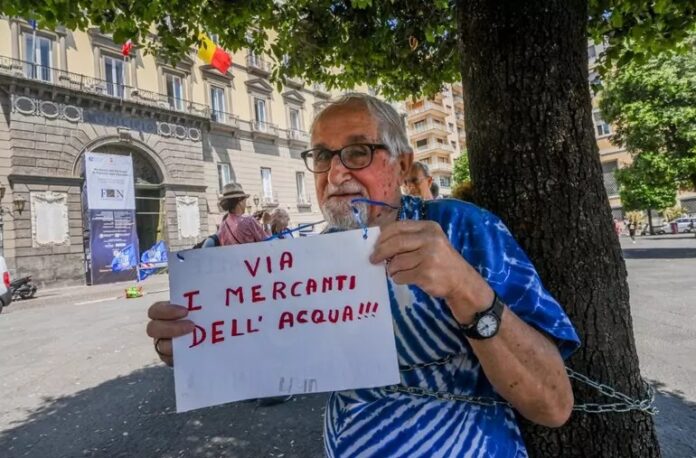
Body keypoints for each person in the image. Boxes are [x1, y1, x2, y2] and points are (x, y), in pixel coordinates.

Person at [147, 93, 579, 457]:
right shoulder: (306, 258)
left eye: (358, 151)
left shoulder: (464, 229)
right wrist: (197, 345)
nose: (336, 173)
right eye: (321, 155)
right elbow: (267, 355)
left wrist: (466, 287)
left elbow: (554, 405)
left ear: (403, 163)